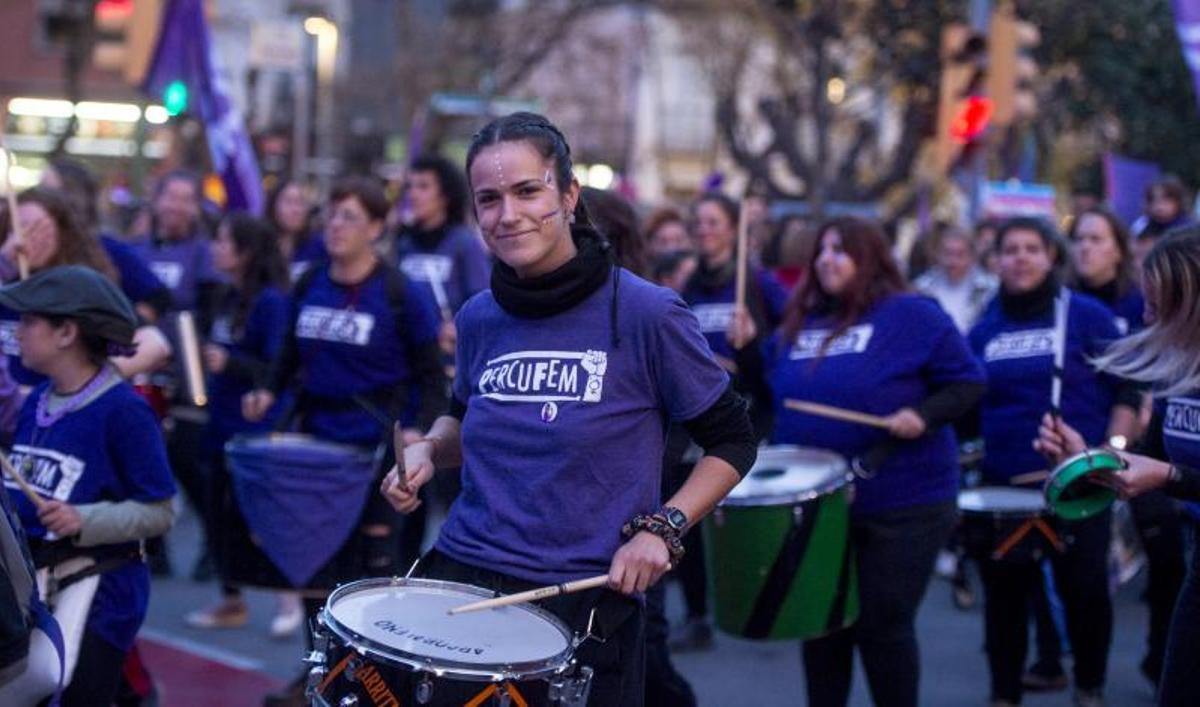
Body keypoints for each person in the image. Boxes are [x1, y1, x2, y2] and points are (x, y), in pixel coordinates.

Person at [381, 112, 756, 707]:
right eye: (489, 198)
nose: (509, 214)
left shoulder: (648, 314)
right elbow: (464, 419)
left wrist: (665, 528)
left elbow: (733, 440)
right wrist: (429, 448)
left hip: (584, 595)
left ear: (569, 194)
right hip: (463, 572)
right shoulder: (479, 316)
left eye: (528, 190)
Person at [735, 216, 985, 707]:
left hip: (904, 500)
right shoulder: (801, 321)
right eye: (821, 251)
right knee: (821, 623)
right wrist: (746, 352)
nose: (827, 259)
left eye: (841, 250)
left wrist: (922, 414)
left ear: (870, 258)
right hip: (821, 503)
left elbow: (967, 383)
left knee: (882, 625)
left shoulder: (914, 313)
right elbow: (768, 393)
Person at [243, 177, 444, 706]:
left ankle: (372, 685)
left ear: (377, 228)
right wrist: (267, 391)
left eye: (350, 216)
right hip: (315, 450)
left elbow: (432, 376)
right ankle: (320, 672)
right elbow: (286, 354)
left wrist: (419, 432)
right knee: (313, 568)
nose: (335, 225)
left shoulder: (402, 293)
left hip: (376, 454)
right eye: (330, 215)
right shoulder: (309, 281)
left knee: (369, 576)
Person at [967, 216, 1141, 707]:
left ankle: (1089, 689)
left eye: (1031, 249)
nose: (1020, 257)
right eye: (1010, 249)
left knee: (1086, 594)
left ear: (1050, 257)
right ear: (996, 260)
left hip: (1078, 484)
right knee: (1004, 601)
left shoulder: (1086, 315)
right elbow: (963, 400)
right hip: (1007, 487)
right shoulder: (983, 327)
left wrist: (1112, 452)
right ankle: (1003, 695)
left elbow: (1129, 387)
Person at [1035, 225, 1200, 706]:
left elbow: (1166, 471)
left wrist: (1169, 477)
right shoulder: (1179, 368)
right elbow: (1150, 456)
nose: (1146, 314)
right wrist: (1090, 457)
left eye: (1157, 302)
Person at [0, 266, 175, 706]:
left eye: (29, 321)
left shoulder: (125, 412)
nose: (17, 332)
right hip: (37, 584)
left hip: (99, 593)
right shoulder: (38, 399)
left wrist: (85, 518)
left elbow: (161, 512)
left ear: (66, 333)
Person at [180, 214, 301, 637]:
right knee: (218, 515)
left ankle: (290, 598)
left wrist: (229, 362)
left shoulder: (270, 301)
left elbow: (278, 366)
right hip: (220, 423)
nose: (215, 248)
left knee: (265, 516)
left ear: (246, 251)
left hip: (254, 427)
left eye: (224, 240)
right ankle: (232, 599)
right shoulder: (229, 297)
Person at [0, 188, 171, 384]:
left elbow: (154, 343)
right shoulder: (6, 285)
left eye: (38, 229)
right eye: (18, 229)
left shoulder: (81, 289)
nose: (25, 239)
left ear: (62, 234)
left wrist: (86, 387)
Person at [394, 154, 490, 359]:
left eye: (423, 186)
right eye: (410, 186)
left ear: (445, 194)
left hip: (447, 359)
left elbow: (483, 300)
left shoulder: (464, 243)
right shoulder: (404, 243)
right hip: (407, 355)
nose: (413, 194)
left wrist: (458, 326)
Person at [914, 225, 998, 334]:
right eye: (948, 254)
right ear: (938, 255)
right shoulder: (922, 288)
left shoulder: (989, 287)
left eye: (960, 255)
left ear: (972, 257)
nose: (953, 261)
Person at [265, 178, 326, 283]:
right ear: (273, 205)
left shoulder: (319, 246)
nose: (295, 210)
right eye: (288, 202)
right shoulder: (260, 246)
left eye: (300, 203)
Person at [1131, 176, 1193, 271]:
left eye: (1166, 199)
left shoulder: (1189, 228)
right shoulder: (1143, 225)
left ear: (1178, 201)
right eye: (1153, 200)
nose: (1159, 206)